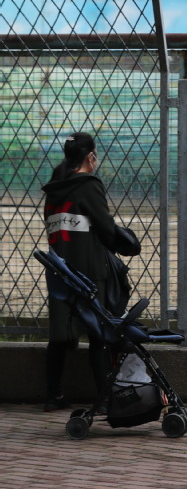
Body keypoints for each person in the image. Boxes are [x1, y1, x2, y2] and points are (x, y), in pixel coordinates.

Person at [41, 133, 126, 411]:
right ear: (90, 157)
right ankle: (103, 397)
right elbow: (105, 226)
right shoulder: (88, 185)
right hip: (90, 269)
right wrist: (124, 241)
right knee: (98, 333)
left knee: (60, 334)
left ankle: (53, 395)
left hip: (61, 268)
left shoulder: (54, 188)